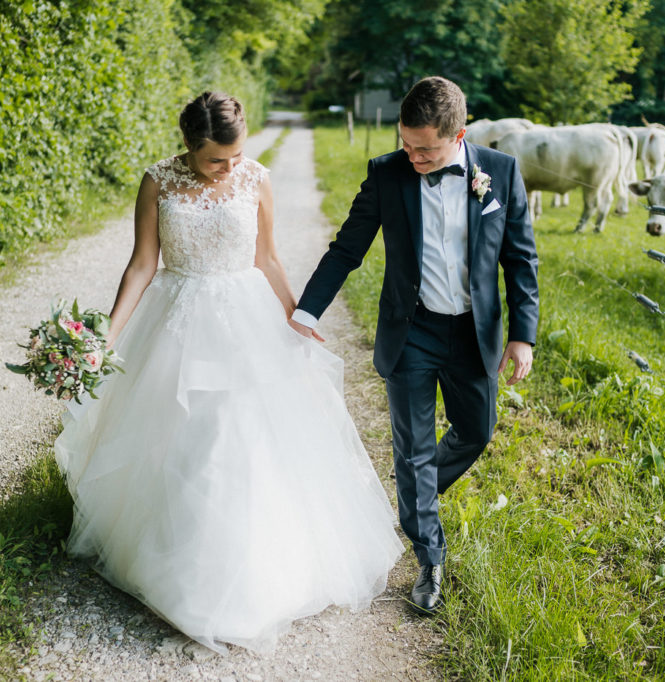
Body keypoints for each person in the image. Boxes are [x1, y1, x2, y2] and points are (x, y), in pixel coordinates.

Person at [53, 92, 403, 654]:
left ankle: (245, 571)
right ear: (190, 148)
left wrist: (297, 313)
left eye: (235, 156)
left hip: (246, 321)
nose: (230, 167)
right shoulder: (158, 182)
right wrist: (107, 337)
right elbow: (144, 263)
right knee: (184, 437)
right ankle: (180, 565)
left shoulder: (256, 179)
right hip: (178, 321)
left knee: (240, 437)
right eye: (217, 160)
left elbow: (267, 257)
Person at [290, 76, 539, 615]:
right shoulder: (386, 174)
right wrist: (306, 309)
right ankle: (430, 554)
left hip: (475, 333)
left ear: (459, 134)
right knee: (414, 446)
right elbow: (346, 249)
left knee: (475, 432)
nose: (413, 155)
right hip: (413, 330)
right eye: (406, 143)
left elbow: (521, 260)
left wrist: (523, 334)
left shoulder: (501, 173)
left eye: (425, 148)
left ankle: (410, 498)